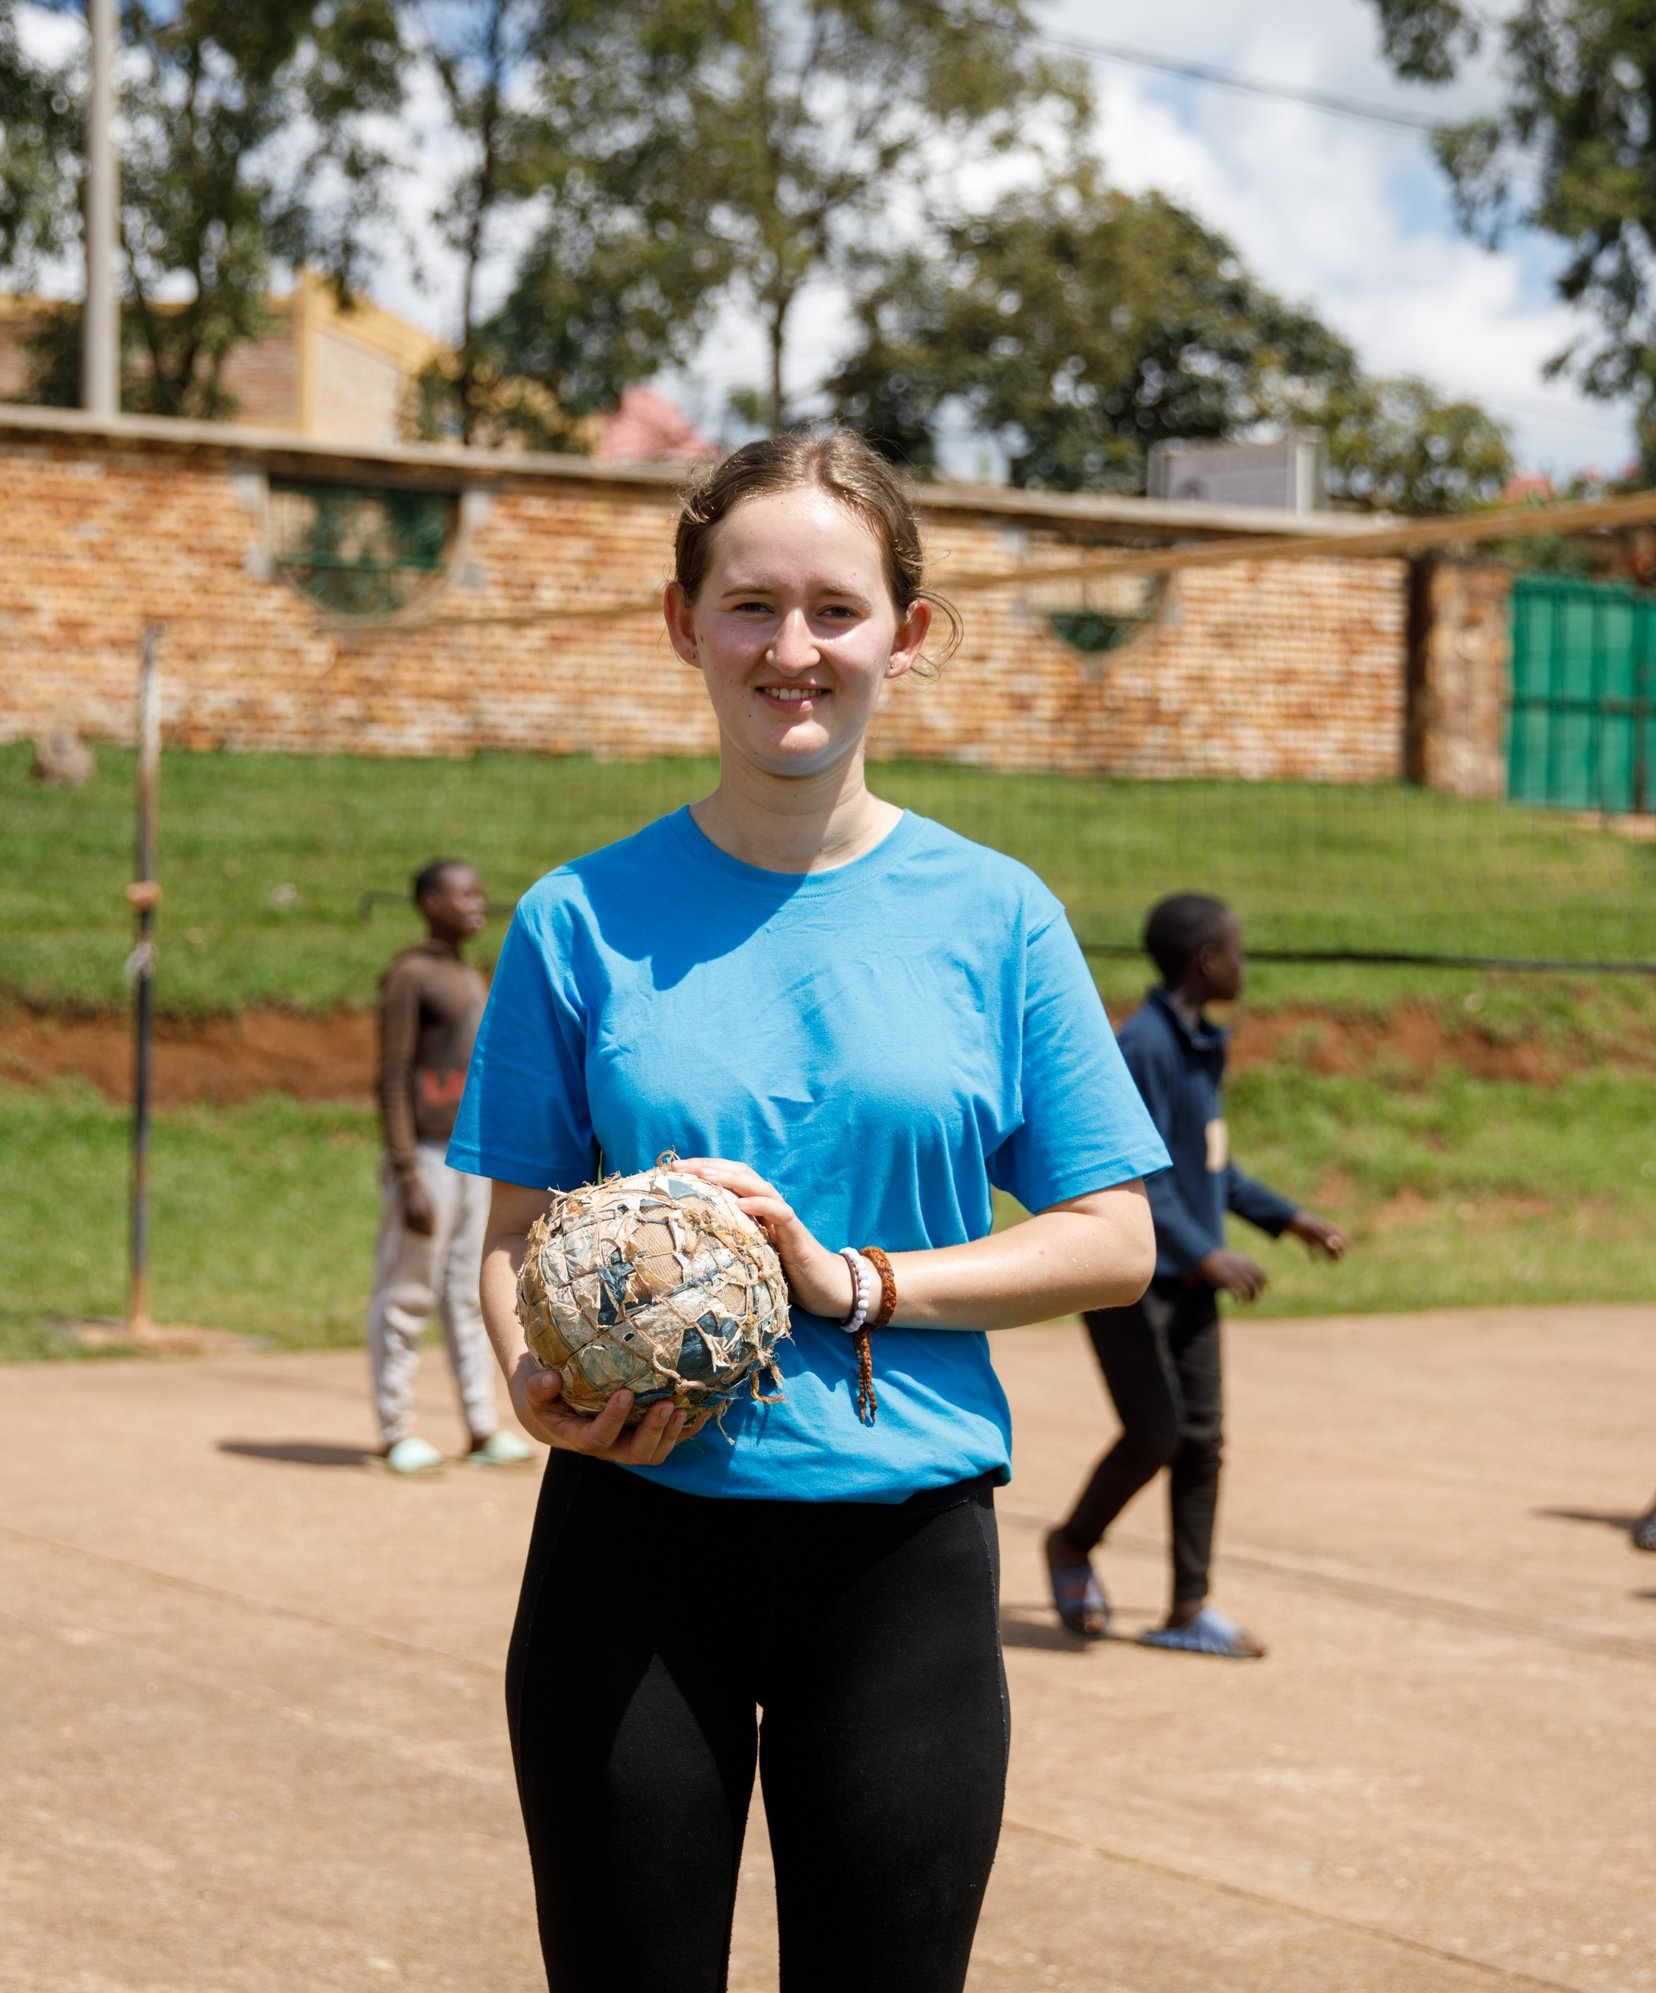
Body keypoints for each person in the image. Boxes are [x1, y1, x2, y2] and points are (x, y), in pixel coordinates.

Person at [447, 428, 1170, 1992]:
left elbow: (1117, 1240)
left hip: (899, 1556)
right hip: (630, 1543)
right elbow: (510, 1235)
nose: (794, 647)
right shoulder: (577, 918)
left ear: (907, 635)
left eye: (837, 609)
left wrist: (852, 1281)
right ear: (682, 623)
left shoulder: (999, 915)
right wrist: (532, 1382)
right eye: (751, 605)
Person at [1044, 894, 1351, 1659]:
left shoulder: (1198, 1045)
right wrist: (1201, 1249)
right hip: (1129, 1278)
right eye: (1236, 950)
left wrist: (1288, 1218)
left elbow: (1210, 1166)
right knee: (1156, 1430)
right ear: (1206, 960)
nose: (1244, 963)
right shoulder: (1142, 1047)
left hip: (1190, 1283)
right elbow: (1134, 1171)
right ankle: (1072, 1542)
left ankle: (1189, 1608)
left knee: (1203, 1440)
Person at [367, 858, 535, 1474]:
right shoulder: (411, 975)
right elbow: (392, 1075)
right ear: (429, 902)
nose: (477, 902)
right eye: (463, 893)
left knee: (469, 1293)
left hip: (469, 1159)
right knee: (406, 1292)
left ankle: (482, 1427)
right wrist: (406, 1172)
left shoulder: (465, 974)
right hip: (426, 1159)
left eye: (479, 892)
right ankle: (396, 1431)